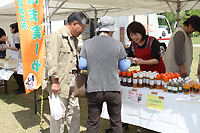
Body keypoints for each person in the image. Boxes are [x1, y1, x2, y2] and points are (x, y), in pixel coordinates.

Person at [79, 16, 132, 133]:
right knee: (116, 122)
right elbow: (123, 67)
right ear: (112, 30)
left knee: (92, 122)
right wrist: (129, 61)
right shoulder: (118, 44)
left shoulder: (87, 44)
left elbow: (82, 65)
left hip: (94, 89)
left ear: (99, 29)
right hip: (113, 89)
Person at [42, 12, 87, 133]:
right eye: (83, 27)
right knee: (58, 114)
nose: (82, 30)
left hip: (73, 79)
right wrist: (54, 81)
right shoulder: (56, 36)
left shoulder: (74, 39)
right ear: (75, 24)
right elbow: (51, 60)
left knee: (74, 111)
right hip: (59, 81)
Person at [1, 23, 25, 94]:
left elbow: (17, 48)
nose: (10, 30)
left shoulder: (16, 36)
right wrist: (7, 41)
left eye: (11, 28)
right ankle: (20, 87)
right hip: (15, 57)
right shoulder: (15, 35)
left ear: (14, 29)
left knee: (18, 74)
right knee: (16, 73)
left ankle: (22, 88)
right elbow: (12, 45)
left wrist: (7, 47)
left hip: (17, 57)